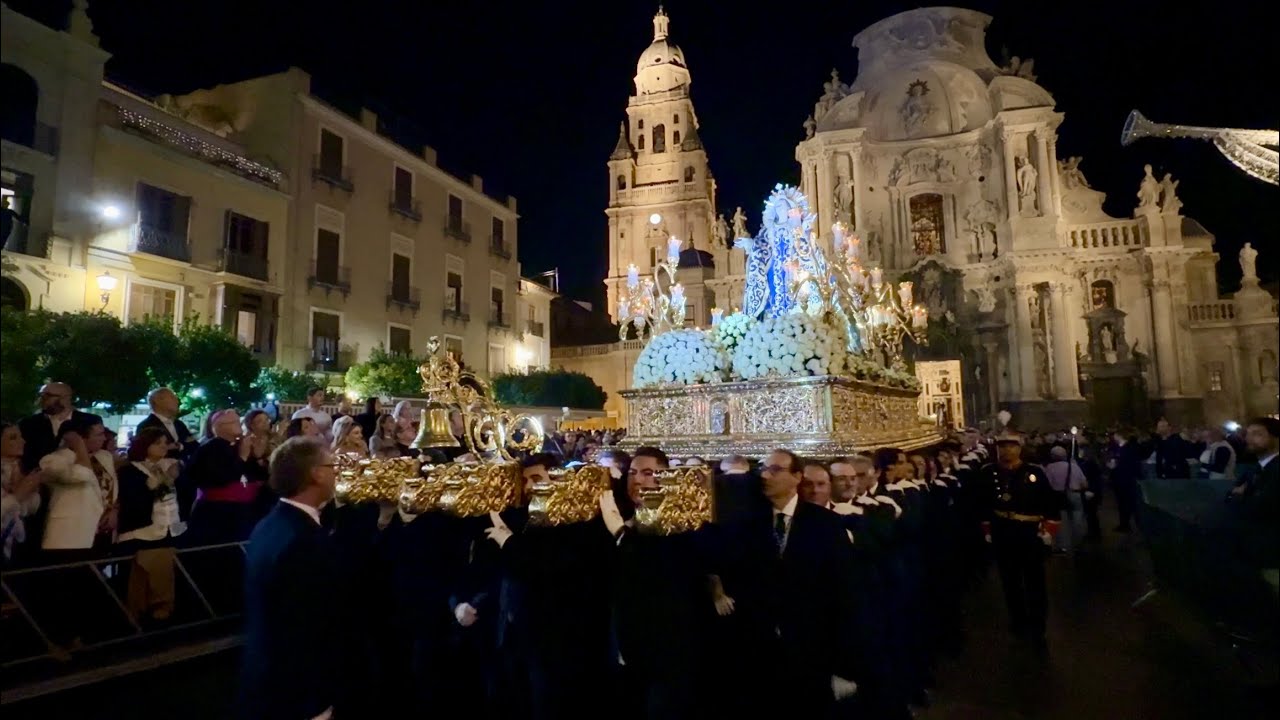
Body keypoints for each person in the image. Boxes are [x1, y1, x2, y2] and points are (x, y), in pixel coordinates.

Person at [238, 437, 344, 720]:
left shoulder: (270, 524)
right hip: (297, 687)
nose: (337, 472)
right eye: (332, 466)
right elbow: (313, 621)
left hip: (265, 672)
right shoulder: (304, 539)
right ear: (316, 474)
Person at [975, 432, 1061, 648]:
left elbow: (1049, 503)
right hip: (1003, 532)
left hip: (1029, 532)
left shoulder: (1034, 472)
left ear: (1019, 449)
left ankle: (1038, 623)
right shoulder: (989, 472)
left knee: (1035, 581)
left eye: (1011, 446)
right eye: (1003, 446)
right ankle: (1018, 620)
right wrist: (987, 529)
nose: (1007, 450)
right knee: (1010, 581)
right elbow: (982, 503)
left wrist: (1048, 531)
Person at [115, 427, 185, 623]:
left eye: (165, 443)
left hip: (169, 528)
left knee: (165, 573)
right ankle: (135, 614)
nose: (163, 447)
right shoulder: (130, 470)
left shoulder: (170, 465)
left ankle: (161, 609)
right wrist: (164, 481)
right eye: (157, 443)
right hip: (142, 531)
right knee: (139, 577)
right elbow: (135, 500)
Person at [18, 382, 104, 472]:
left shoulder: (90, 421)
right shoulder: (28, 423)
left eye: (48, 395)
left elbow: (99, 450)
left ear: (66, 398)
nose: (42, 399)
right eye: (41, 395)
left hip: (83, 473)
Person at [1, 422, 44, 564]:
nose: (23, 441)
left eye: (21, 437)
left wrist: (30, 491)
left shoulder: (19, 468)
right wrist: (18, 495)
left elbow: (27, 510)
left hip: (15, 544)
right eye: (13, 438)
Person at [135, 387, 199, 462]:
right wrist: (183, 445)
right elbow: (147, 453)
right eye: (172, 397)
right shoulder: (146, 426)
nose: (177, 401)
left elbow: (194, 446)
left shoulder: (179, 424)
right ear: (158, 401)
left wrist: (178, 446)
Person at [1044, 445, 1086, 554]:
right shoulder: (1074, 467)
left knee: (1062, 521)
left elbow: (1047, 484)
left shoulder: (1050, 467)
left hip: (1058, 496)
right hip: (1075, 494)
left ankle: (1063, 546)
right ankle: (1077, 544)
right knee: (1077, 520)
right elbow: (1084, 483)